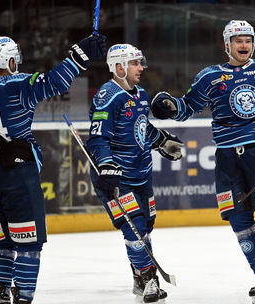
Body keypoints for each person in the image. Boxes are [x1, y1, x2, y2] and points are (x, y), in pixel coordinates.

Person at [150, 20, 255, 304]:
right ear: (226, 44)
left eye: (248, 40)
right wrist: (169, 106)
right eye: (237, 40)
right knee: (240, 223)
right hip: (227, 159)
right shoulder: (209, 77)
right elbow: (186, 109)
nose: (244, 45)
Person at [0, 32, 106, 303]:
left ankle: (1, 296)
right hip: (17, 177)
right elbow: (54, 82)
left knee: (1, 244)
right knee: (29, 245)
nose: (16, 62)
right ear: (7, 61)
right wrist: (80, 55)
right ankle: (24, 298)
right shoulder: (15, 85)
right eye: (13, 58)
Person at [86, 43, 183, 304]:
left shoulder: (139, 94)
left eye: (141, 62)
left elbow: (140, 128)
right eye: (135, 63)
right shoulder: (108, 96)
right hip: (116, 178)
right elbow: (97, 139)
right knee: (135, 228)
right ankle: (149, 278)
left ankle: (140, 277)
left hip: (142, 174)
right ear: (119, 67)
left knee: (147, 225)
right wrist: (106, 165)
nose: (141, 67)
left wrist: (161, 141)